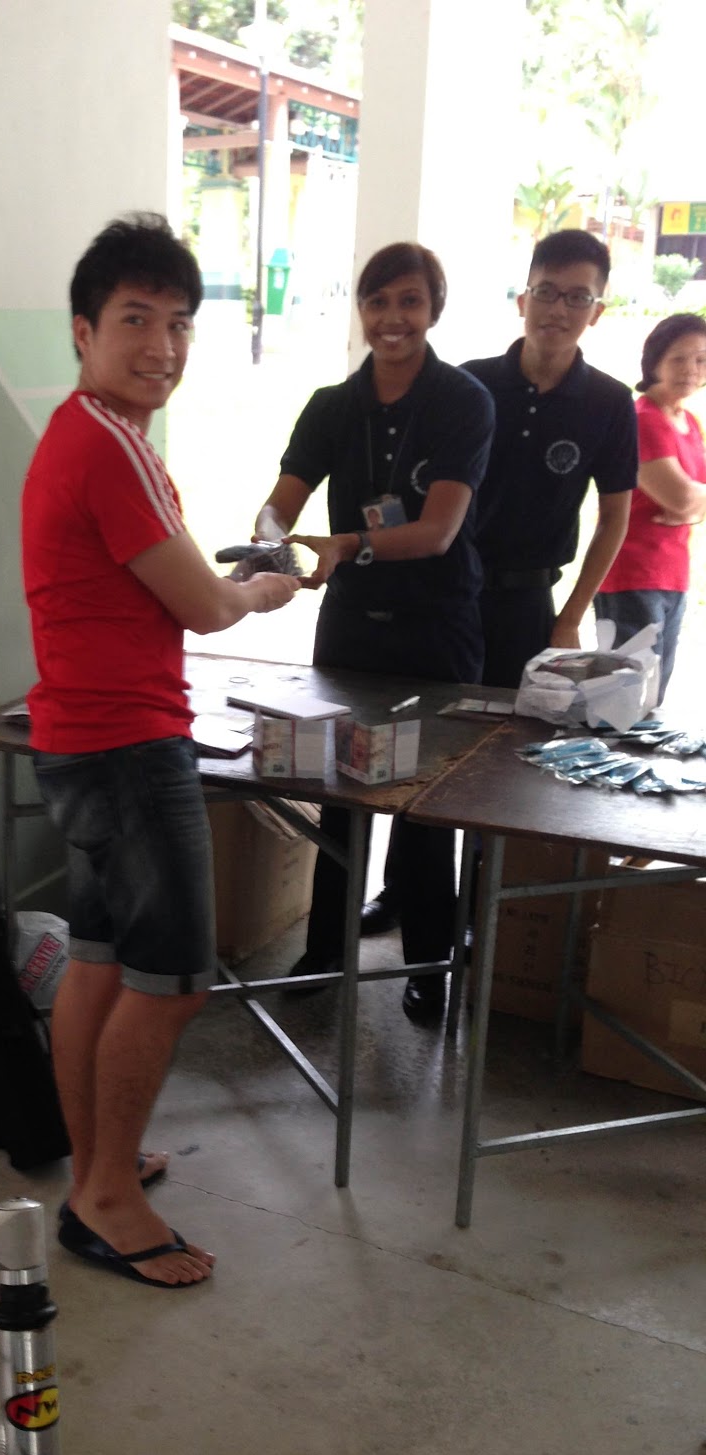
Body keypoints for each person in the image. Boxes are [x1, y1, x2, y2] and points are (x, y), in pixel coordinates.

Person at [23, 213, 300, 1287]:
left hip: (81, 739)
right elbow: (206, 606)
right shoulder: (111, 445)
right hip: (129, 748)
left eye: (179, 323)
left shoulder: (80, 433)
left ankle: (98, 1159)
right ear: (83, 331)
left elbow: (160, 586)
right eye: (136, 319)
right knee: (175, 981)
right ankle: (103, 1199)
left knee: (100, 962)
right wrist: (265, 586)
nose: (163, 346)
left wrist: (230, 585)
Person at [361, 228, 638, 942]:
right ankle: (406, 897)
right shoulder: (469, 382)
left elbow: (614, 517)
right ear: (523, 298)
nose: (559, 309)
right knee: (423, 749)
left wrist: (570, 615)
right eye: (547, 292)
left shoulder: (609, 402)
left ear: (597, 310)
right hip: (444, 597)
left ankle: (482, 917)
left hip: (525, 605)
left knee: (504, 766)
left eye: (577, 297)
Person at [254, 241, 493, 1023]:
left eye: (410, 301)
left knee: (427, 804)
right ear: (361, 310)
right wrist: (268, 542)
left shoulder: (463, 401)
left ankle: (427, 963)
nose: (393, 318)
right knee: (341, 792)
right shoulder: (332, 405)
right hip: (351, 628)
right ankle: (325, 951)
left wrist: (346, 545)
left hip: (436, 627)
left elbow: (437, 531)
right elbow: (281, 504)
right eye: (378, 301)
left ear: (433, 310)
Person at [594, 312, 706, 704]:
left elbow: (692, 499)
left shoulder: (688, 422)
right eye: (679, 358)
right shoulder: (643, 419)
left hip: (671, 573)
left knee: (652, 697)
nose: (691, 369)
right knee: (624, 701)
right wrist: (690, 506)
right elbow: (681, 498)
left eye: (701, 359)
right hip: (632, 573)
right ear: (655, 360)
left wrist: (691, 505)